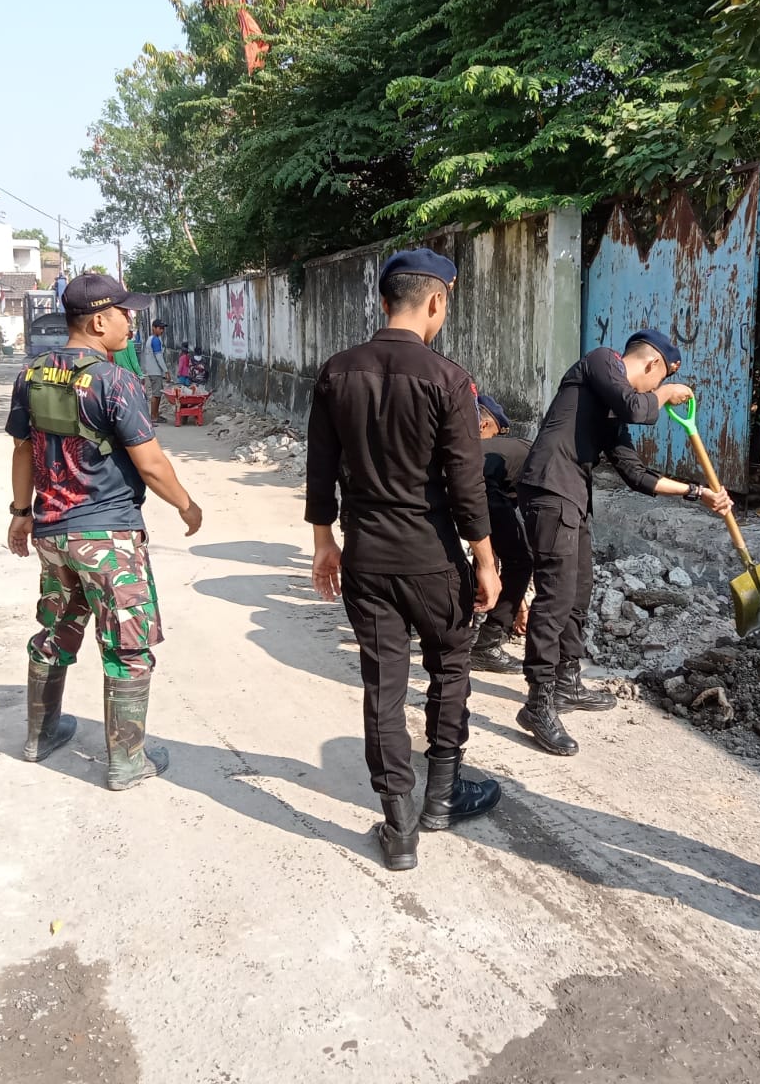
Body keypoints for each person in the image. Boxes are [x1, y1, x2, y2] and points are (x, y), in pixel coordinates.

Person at [306, 248, 503, 872]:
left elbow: (320, 470)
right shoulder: (449, 379)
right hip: (434, 559)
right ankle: (441, 797)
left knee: (383, 687)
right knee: (449, 669)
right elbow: (467, 484)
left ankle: (399, 826)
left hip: (366, 558)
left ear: (383, 299)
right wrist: (487, 561)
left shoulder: (337, 372)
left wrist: (323, 543)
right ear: (436, 301)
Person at [5, 272, 205, 791]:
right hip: (108, 537)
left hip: (53, 535)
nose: (130, 320)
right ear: (98, 320)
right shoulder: (115, 381)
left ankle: (39, 736)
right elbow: (153, 463)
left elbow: (23, 449)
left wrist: (20, 512)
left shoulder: (32, 375)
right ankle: (125, 761)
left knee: (55, 631)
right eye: (123, 312)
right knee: (128, 646)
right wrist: (187, 505)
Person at [516, 331, 732, 756]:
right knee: (555, 597)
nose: (656, 394)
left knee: (579, 592)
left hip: (573, 498)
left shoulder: (614, 410)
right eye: (659, 381)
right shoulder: (601, 361)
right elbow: (638, 406)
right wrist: (668, 393)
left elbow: (636, 475)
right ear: (651, 365)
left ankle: (567, 681)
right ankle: (537, 702)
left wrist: (696, 493)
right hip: (549, 489)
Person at [468, 394, 532, 675]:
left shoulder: (463, 445)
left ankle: (466, 623)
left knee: (480, 552)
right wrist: (519, 604)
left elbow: (488, 543)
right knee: (522, 560)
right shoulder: (537, 459)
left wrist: (518, 600)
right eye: (494, 433)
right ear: (484, 425)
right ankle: (488, 644)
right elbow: (515, 550)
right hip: (480, 488)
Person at [140, 318, 170, 422]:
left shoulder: (150, 339)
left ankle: (155, 414)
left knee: (157, 394)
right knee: (156, 394)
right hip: (155, 371)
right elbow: (159, 357)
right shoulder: (156, 340)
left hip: (151, 370)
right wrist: (166, 371)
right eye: (160, 328)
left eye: (162, 329)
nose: (162, 330)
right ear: (154, 328)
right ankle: (153, 416)